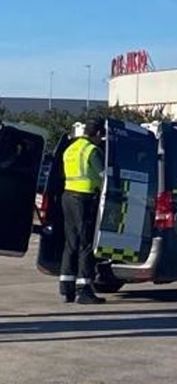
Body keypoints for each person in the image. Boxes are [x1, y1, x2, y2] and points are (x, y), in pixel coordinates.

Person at [60, 119, 107, 305]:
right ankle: (85, 290)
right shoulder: (91, 150)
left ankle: (66, 288)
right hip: (84, 198)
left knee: (71, 242)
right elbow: (104, 177)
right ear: (97, 134)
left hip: (67, 196)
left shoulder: (71, 148)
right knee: (86, 244)